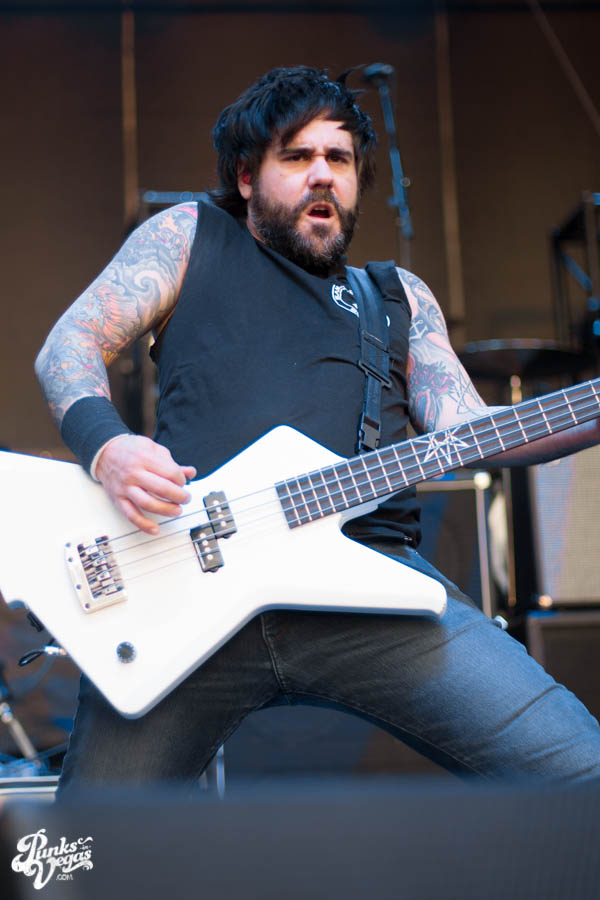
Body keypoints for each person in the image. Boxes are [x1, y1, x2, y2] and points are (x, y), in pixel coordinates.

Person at [36, 66, 600, 788]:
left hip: (373, 594)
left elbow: (471, 427)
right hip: (184, 595)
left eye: (339, 158)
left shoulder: (397, 298)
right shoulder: (189, 236)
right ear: (247, 177)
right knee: (94, 841)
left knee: (580, 774)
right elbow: (71, 344)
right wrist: (109, 448)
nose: (323, 174)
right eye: (297, 156)